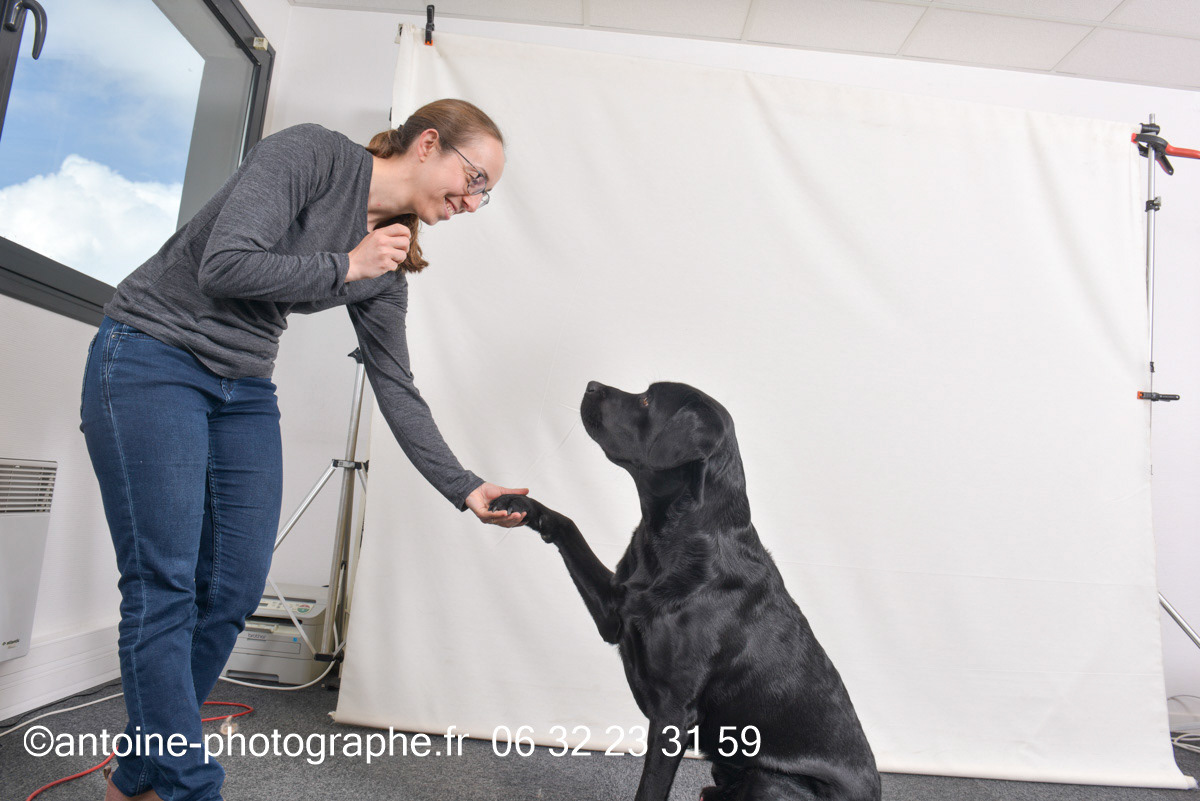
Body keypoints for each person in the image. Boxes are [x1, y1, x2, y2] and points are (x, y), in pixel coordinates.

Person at [80, 99, 526, 801]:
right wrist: (345, 265)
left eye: (484, 194)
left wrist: (465, 485)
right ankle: (189, 786)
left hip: (242, 384)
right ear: (427, 144)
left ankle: (138, 773)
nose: (472, 202)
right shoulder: (312, 155)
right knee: (165, 584)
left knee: (231, 590)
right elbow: (225, 266)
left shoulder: (389, 259)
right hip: (151, 354)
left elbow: (395, 385)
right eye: (473, 179)